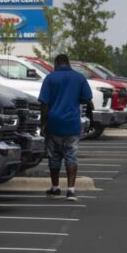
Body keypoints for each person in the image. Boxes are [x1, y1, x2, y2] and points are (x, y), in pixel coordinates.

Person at [38, 54, 93, 201]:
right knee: (71, 156)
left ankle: (55, 188)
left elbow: (44, 102)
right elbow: (87, 97)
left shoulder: (50, 78)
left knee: (54, 157)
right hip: (72, 123)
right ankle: (71, 190)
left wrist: (43, 123)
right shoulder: (79, 78)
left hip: (54, 123)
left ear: (56, 63)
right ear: (68, 63)